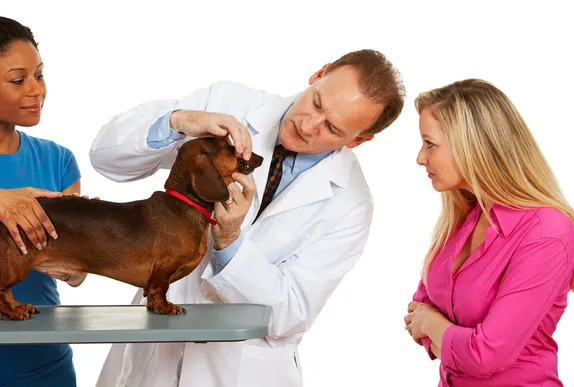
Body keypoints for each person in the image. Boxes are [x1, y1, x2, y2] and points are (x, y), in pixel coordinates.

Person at [89, 49, 406, 387]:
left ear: (359, 140)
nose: (308, 125)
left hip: (240, 372)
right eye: (316, 103)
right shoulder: (229, 103)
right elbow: (106, 158)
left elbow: (290, 312)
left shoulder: (351, 203)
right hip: (151, 360)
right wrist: (177, 122)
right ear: (319, 73)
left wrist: (230, 242)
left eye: (331, 127)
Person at [404, 78, 574, 386]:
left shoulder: (546, 232)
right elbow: (417, 311)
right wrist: (441, 332)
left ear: (471, 146)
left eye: (430, 144)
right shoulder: (466, 217)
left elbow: (485, 355)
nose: (420, 158)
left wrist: (434, 324)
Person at [0, 16, 85, 386]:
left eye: (40, 75)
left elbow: (77, 275)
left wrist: (75, 254)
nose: (37, 90)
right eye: (18, 80)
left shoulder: (59, 161)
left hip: (44, 363)